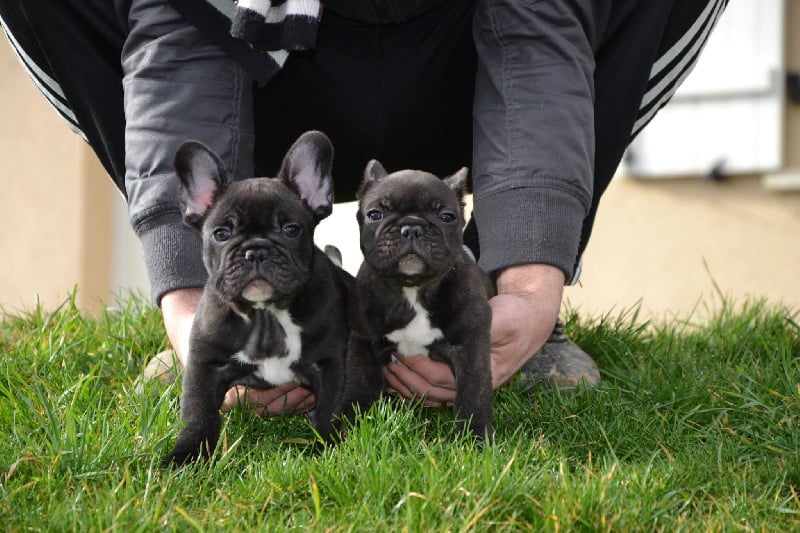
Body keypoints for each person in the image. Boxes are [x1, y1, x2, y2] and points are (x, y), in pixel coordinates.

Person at [1, 0, 728, 415]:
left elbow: (537, 35)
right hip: (266, 52)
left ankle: (487, 294)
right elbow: (181, 37)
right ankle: (247, 311)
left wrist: (531, 292)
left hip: (468, 53)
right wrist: (197, 316)